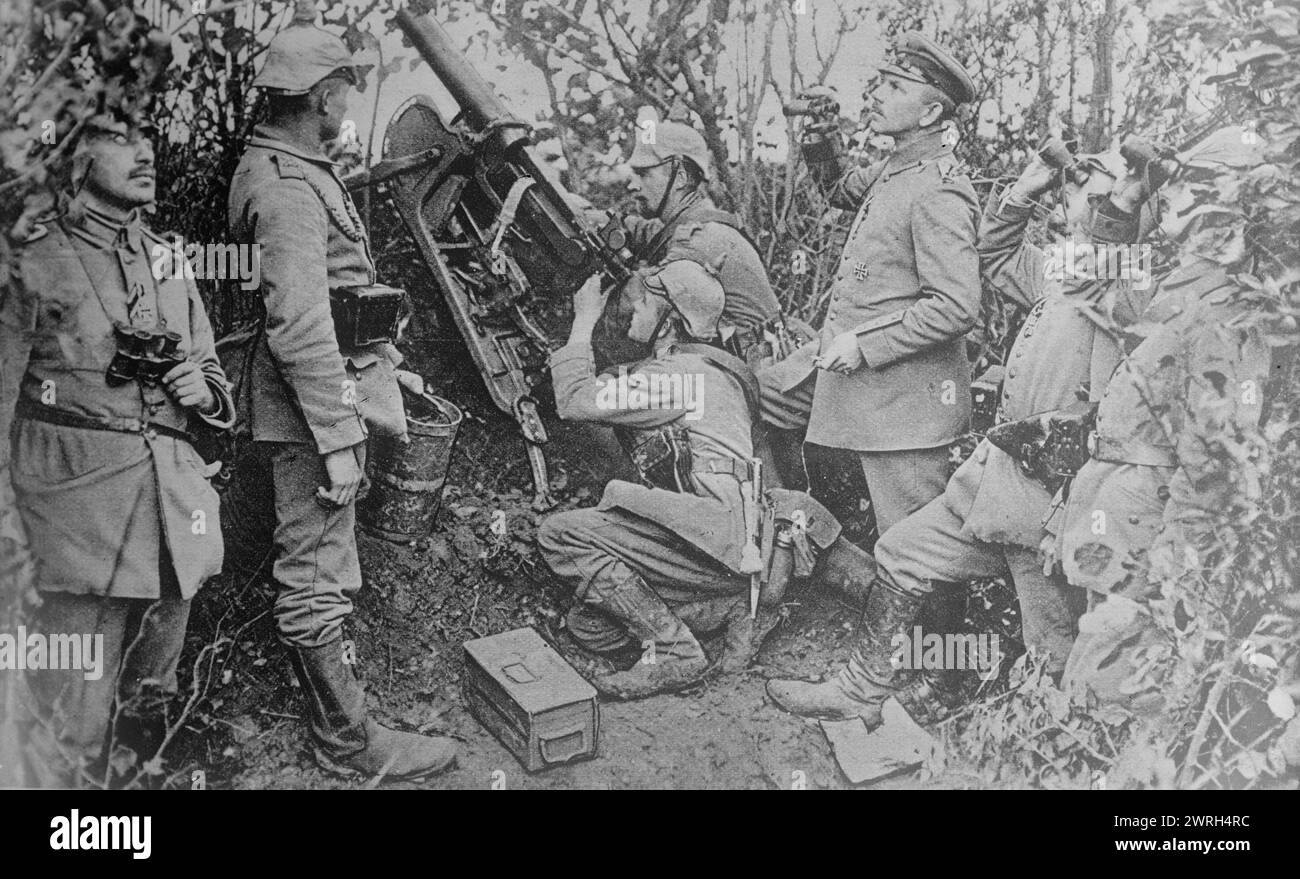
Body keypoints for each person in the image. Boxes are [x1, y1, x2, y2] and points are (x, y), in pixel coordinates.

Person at [766, 145, 1160, 722]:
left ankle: (1059, 748)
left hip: (1055, 501)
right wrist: (1024, 190)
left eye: (1101, 194)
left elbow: (1109, 272)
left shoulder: (1130, 283)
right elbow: (995, 257)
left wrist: (1120, 206)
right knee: (902, 552)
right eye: (1082, 188)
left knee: (1052, 649)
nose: (1083, 197)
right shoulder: (1065, 271)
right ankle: (865, 690)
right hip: (997, 482)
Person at [224, 7, 456, 781]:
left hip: (322, 391)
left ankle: (343, 729)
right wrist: (339, 436)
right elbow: (298, 324)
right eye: (344, 92)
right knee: (316, 573)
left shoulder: (294, 171)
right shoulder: (287, 187)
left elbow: (334, 302)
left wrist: (387, 370)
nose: (349, 105)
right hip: (307, 408)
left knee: (317, 563)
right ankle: (351, 741)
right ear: (322, 96)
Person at [1, 110, 234, 787]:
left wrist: (202, 389)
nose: (145, 151)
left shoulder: (168, 258)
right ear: (75, 152)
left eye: (147, 136)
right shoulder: (32, 259)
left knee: (149, 709)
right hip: (74, 521)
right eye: (120, 136)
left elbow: (218, 386)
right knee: (72, 722)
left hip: (170, 518)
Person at [538, 260, 852, 698]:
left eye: (646, 301)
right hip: (738, 549)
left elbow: (574, 401)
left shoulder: (678, 378)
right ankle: (730, 610)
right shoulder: (719, 375)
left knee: (560, 535)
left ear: (669, 323)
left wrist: (582, 322)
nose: (635, 309)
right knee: (590, 626)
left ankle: (674, 653)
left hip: (715, 536)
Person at [1051, 136, 1273, 715]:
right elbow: (1084, 280)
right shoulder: (1186, 280)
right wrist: (1123, 203)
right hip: (1118, 500)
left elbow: (1217, 460)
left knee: (1121, 690)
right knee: (1097, 676)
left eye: (1192, 184)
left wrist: (1173, 570)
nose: (1169, 191)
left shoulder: (1231, 308)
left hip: (1154, 517)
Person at [757, 32, 981, 541]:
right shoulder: (898, 166)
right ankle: (790, 534)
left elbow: (955, 306)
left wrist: (864, 344)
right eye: (881, 80)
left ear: (929, 115)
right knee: (757, 395)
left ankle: (927, 623)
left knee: (915, 548)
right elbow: (840, 190)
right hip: (853, 378)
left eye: (895, 86)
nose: (876, 93)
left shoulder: (938, 189)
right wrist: (821, 136)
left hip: (905, 408)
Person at [593, 112, 790, 371]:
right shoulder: (702, 226)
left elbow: (625, 314)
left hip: (749, 383)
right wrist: (587, 216)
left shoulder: (700, 241)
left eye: (644, 174)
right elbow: (648, 232)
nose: (632, 184)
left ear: (681, 178)